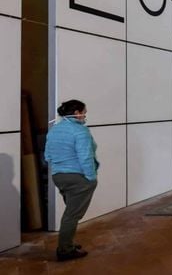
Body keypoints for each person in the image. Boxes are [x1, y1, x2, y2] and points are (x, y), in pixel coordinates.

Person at [45, 99, 98, 261]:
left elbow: (47, 155)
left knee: (71, 212)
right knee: (72, 215)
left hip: (58, 176)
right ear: (77, 113)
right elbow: (85, 157)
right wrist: (91, 178)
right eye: (84, 112)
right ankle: (65, 250)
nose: (85, 116)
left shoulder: (54, 129)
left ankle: (68, 243)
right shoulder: (80, 131)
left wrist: (59, 168)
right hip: (78, 178)